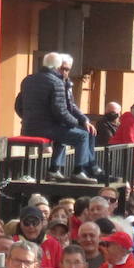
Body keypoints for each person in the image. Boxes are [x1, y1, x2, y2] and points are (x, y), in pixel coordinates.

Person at [16, 52, 100, 183]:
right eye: (63, 68)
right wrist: (76, 122)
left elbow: (18, 106)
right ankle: (79, 172)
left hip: (28, 127)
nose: (65, 72)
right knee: (82, 136)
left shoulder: (28, 80)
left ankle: (54, 170)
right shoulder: (56, 82)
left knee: (63, 130)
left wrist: (29, 118)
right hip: (46, 128)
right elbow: (60, 111)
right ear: (56, 66)